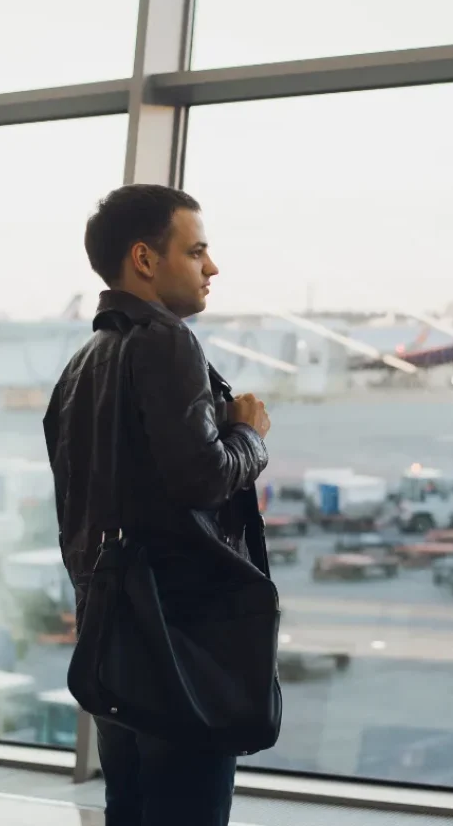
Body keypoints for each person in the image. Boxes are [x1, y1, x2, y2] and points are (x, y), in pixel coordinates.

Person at [43, 184, 272, 825]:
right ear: (145, 259)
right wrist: (249, 433)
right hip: (180, 642)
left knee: (131, 809)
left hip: (114, 635)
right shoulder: (168, 343)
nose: (212, 268)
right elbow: (203, 478)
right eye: (197, 251)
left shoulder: (83, 363)